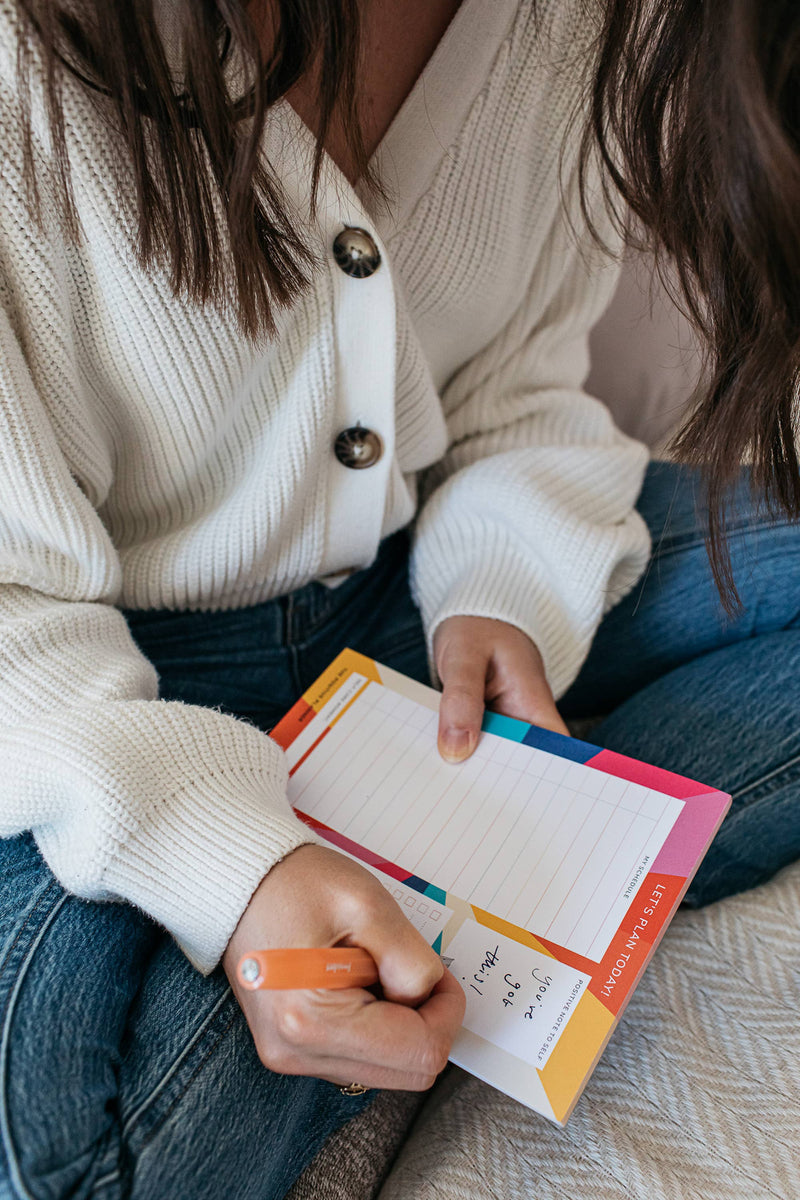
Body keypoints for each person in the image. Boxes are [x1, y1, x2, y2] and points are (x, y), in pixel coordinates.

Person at [0, 1, 798, 1197]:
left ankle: (491, 889)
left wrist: (506, 585)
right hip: (78, 689)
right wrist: (234, 869)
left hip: (401, 590)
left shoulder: (573, 21)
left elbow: (513, 378)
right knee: (78, 1152)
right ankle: (500, 891)